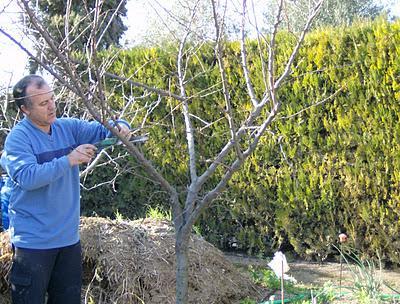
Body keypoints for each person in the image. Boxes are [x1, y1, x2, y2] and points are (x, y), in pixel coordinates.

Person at [1, 75, 130, 304]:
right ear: (24, 110)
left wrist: (121, 127)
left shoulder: (67, 127)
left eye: (52, 99)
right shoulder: (17, 140)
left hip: (68, 240)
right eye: (43, 103)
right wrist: (68, 160)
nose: (52, 107)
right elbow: (27, 177)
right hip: (33, 243)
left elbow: (105, 131)